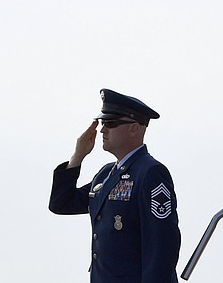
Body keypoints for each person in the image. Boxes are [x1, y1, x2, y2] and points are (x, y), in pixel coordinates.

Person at [49, 89, 181, 283]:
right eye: (103, 123)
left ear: (134, 128)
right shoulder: (106, 174)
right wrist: (77, 157)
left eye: (110, 123)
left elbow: (161, 247)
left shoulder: (150, 173)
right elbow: (61, 204)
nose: (103, 130)